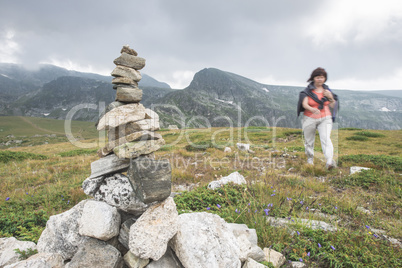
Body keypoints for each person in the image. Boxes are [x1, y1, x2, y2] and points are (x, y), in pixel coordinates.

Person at [297, 67, 339, 169]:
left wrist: (330, 97)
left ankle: (329, 161)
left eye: (322, 77)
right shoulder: (307, 91)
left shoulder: (328, 91)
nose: (320, 79)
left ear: (325, 79)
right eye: (317, 77)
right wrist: (311, 109)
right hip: (309, 118)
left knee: (326, 138)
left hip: (325, 117)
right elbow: (304, 104)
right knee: (309, 140)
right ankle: (310, 159)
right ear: (313, 78)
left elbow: (333, 106)